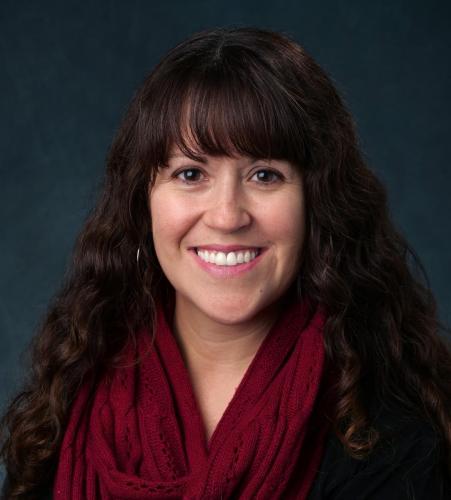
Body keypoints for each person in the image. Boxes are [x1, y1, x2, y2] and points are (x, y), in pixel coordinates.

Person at [1, 26, 450, 500]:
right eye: (191, 173)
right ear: (142, 202)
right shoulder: (66, 408)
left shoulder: (394, 435)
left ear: (317, 203)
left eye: (264, 175)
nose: (228, 216)